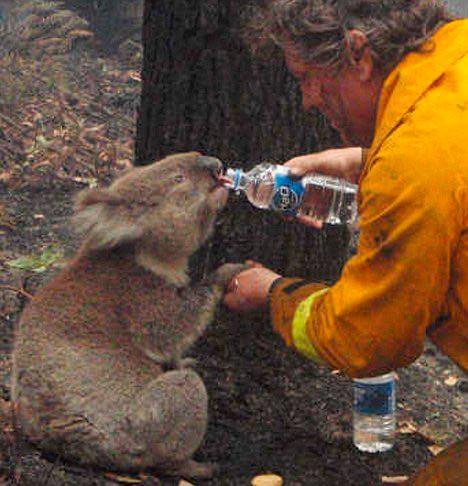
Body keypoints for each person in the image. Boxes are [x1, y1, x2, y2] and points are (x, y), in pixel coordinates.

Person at [223, 1, 467, 483]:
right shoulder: (455, 63)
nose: (308, 100)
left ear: (358, 53)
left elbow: (368, 339)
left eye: (306, 77)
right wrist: (364, 163)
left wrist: (273, 293)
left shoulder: (414, 166)